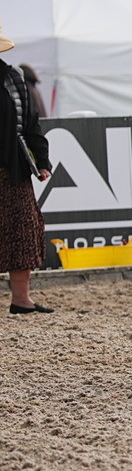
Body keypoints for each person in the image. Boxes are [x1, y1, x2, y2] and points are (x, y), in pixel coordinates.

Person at [0, 20, 54, 314]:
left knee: (22, 231)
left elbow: (31, 123)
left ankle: (21, 300)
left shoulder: (14, 78)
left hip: (12, 167)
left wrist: (42, 161)